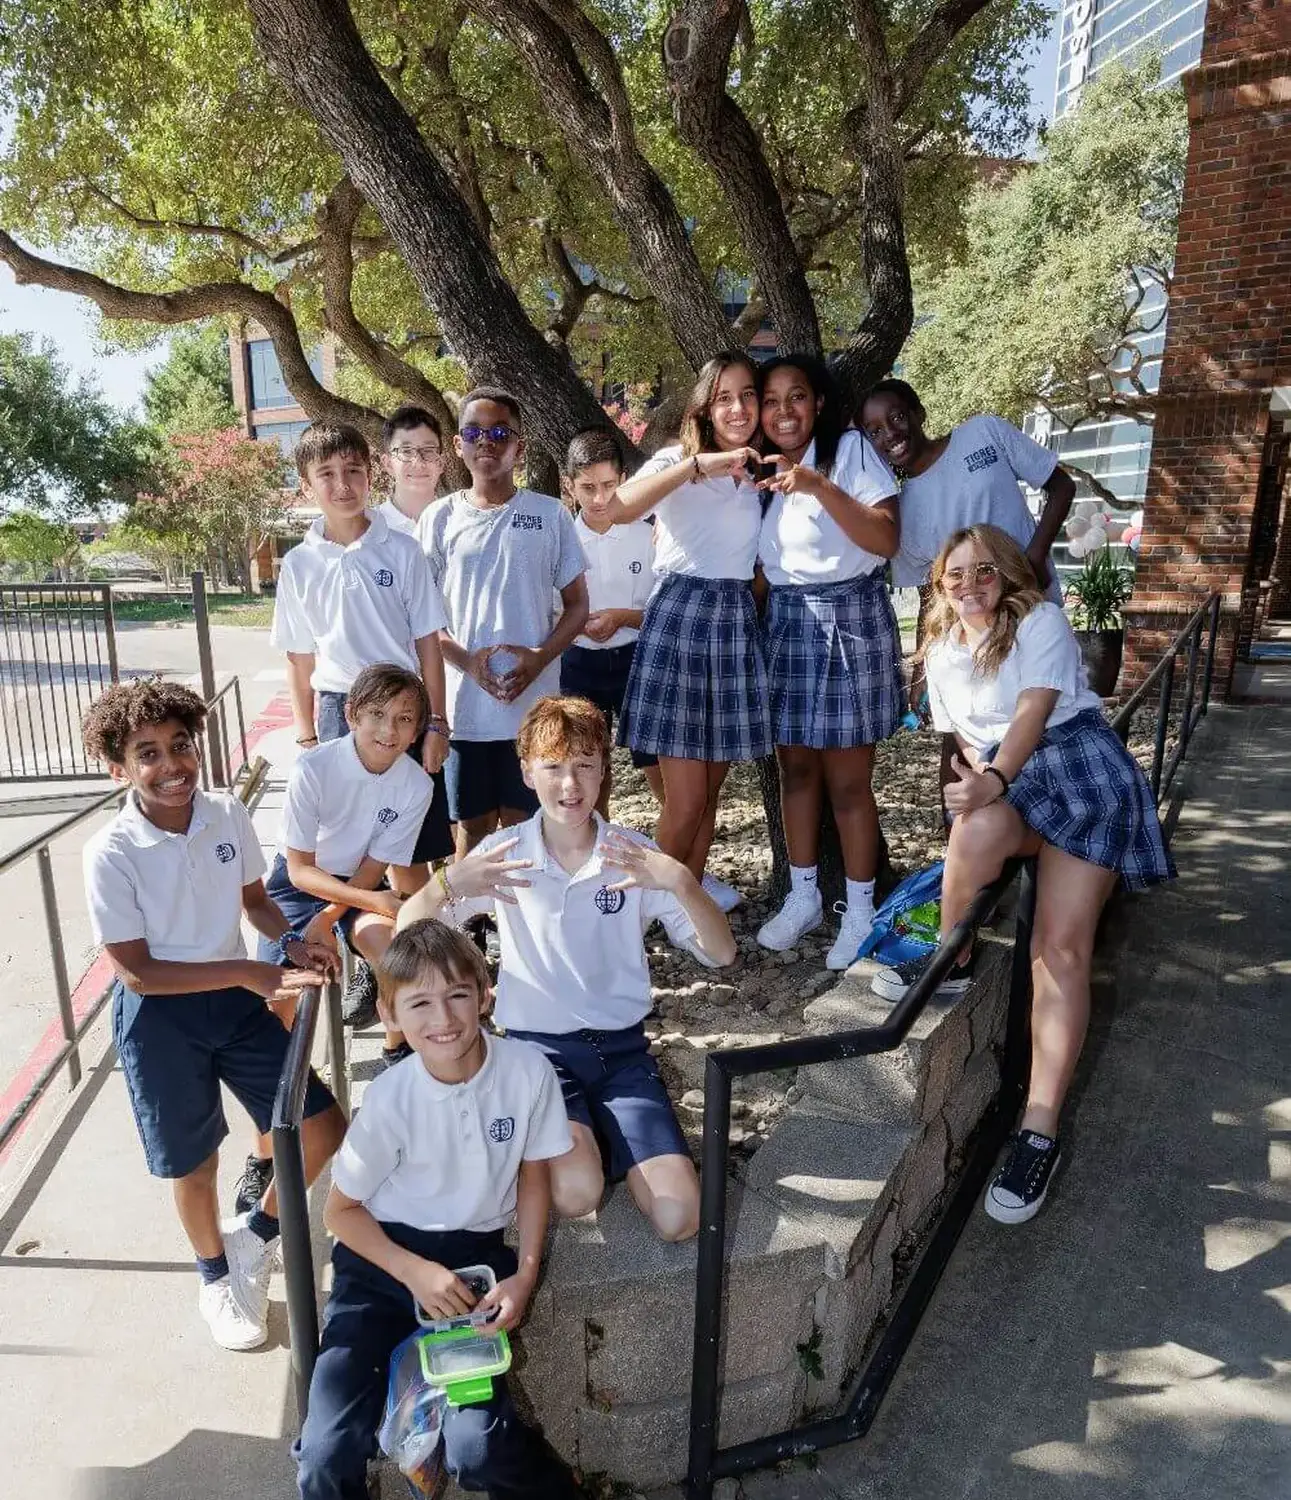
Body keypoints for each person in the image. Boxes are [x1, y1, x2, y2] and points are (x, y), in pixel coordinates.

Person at [869, 526, 1174, 1224]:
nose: (969, 584)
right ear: (938, 584)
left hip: (1076, 769)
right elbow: (966, 741)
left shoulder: (1038, 620)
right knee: (972, 832)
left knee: (1057, 950)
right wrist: (976, 786)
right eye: (954, 574)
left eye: (983, 570)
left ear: (1006, 574)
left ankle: (1036, 1131)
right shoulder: (942, 651)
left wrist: (994, 776)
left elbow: (1035, 710)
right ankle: (950, 956)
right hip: (1009, 782)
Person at [397, 695, 736, 1242]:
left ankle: (611, 1131)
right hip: (539, 1056)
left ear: (605, 772)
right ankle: (576, 1139)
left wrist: (679, 880)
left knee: (680, 1219)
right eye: (553, 767)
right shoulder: (505, 853)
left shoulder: (633, 855)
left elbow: (722, 953)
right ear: (527, 771)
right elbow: (408, 929)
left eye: (584, 766)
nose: (570, 785)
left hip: (623, 1054)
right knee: (577, 1194)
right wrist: (450, 883)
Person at [81, 679, 346, 1351]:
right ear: (119, 769)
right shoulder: (109, 852)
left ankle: (250, 1238)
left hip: (233, 1004)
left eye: (180, 745)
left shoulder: (225, 813)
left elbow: (255, 901)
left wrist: (288, 941)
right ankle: (213, 1279)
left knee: (320, 1126)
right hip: (159, 1017)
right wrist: (246, 971)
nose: (171, 766)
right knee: (194, 1165)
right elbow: (137, 970)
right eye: (148, 754)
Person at [293, 919, 584, 1500]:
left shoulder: (527, 1072)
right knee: (326, 1450)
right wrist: (413, 1271)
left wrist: (524, 1275)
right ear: (391, 1013)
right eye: (420, 1002)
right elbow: (340, 1212)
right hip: (381, 1265)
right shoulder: (391, 1099)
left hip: (472, 1264)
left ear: (484, 991)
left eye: (457, 995)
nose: (444, 1019)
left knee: (476, 1450)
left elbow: (532, 1171)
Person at [269, 421, 453, 1040]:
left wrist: (433, 720)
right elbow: (298, 657)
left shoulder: (400, 549)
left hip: (402, 707)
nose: (343, 485)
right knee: (339, 851)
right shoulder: (299, 563)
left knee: (409, 859)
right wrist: (307, 738)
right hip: (337, 707)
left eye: (353, 471)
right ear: (306, 485)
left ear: (370, 474)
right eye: (327, 475)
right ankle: (357, 960)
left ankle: (415, 973)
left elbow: (428, 638)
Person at [752, 356, 905, 968]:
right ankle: (804, 896)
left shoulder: (848, 451)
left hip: (850, 619)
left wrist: (818, 485)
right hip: (787, 625)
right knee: (796, 773)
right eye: (771, 400)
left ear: (818, 402)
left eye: (796, 397)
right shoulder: (757, 467)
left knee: (847, 783)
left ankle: (861, 909)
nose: (783, 411)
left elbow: (886, 538)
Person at [607, 352, 770, 913]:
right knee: (686, 799)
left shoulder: (762, 474)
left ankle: (685, 906)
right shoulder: (676, 459)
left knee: (710, 796)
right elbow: (617, 508)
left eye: (748, 394)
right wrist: (700, 465)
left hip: (733, 624)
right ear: (704, 405)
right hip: (680, 620)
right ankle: (636, 912)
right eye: (724, 397)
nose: (739, 407)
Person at [418, 387, 588, 857]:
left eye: (499, 432)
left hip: (533, 711)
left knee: (527, 827)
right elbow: (422, 617)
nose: (486, 442)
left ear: (520, 446)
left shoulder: (549, 514)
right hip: (465, 712)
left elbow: (577, 606)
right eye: (474, 432)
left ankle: (524, 929)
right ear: (458, 445)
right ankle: (474, 929)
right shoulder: (438, 518)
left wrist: (538, 659)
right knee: (471, 832)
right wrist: (467, 662)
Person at [258, 664, 436, 1072]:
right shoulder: (313, 769)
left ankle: (398, 1052)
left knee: (396, 957)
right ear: (352, 713)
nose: (388, 731)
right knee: (280, 991)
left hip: (359, 882)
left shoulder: (416, 786)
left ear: (417, 730)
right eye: (377, 715)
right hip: (300, 884)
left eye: (404, 719)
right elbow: (301, 870)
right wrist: (335, 910)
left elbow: (375, 866)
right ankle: (282, 1074)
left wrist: (333, 916)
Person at [858, 380, 1074, 603]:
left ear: (918, 413)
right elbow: (930, 599)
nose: (890, 433)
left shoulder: (984, 432)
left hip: (1035, 605)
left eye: (897, 417)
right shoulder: (902, 513)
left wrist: (1035, 558)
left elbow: (1062, 486)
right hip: (977, 630)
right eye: (875, 432)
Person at [558, 426, 663, 814]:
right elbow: (550, 611)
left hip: (638, 660)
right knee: (586, 770)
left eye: (608, 485)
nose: (600, 499)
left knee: (656, 765)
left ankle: (675, 861)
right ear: (569, 486)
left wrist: (622, 617)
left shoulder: (648, 535)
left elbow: (665, 610)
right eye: (588, 488)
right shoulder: (560, 539)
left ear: (623, 480)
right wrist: (576, 622)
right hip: (578, 664)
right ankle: (593, 854)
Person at [377, 403, 446, 536]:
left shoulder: (460, 524)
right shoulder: (368, 528)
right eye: (406, 451)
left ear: (441, 463)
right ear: (388, 464)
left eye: (428, 450)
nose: (418, 462)